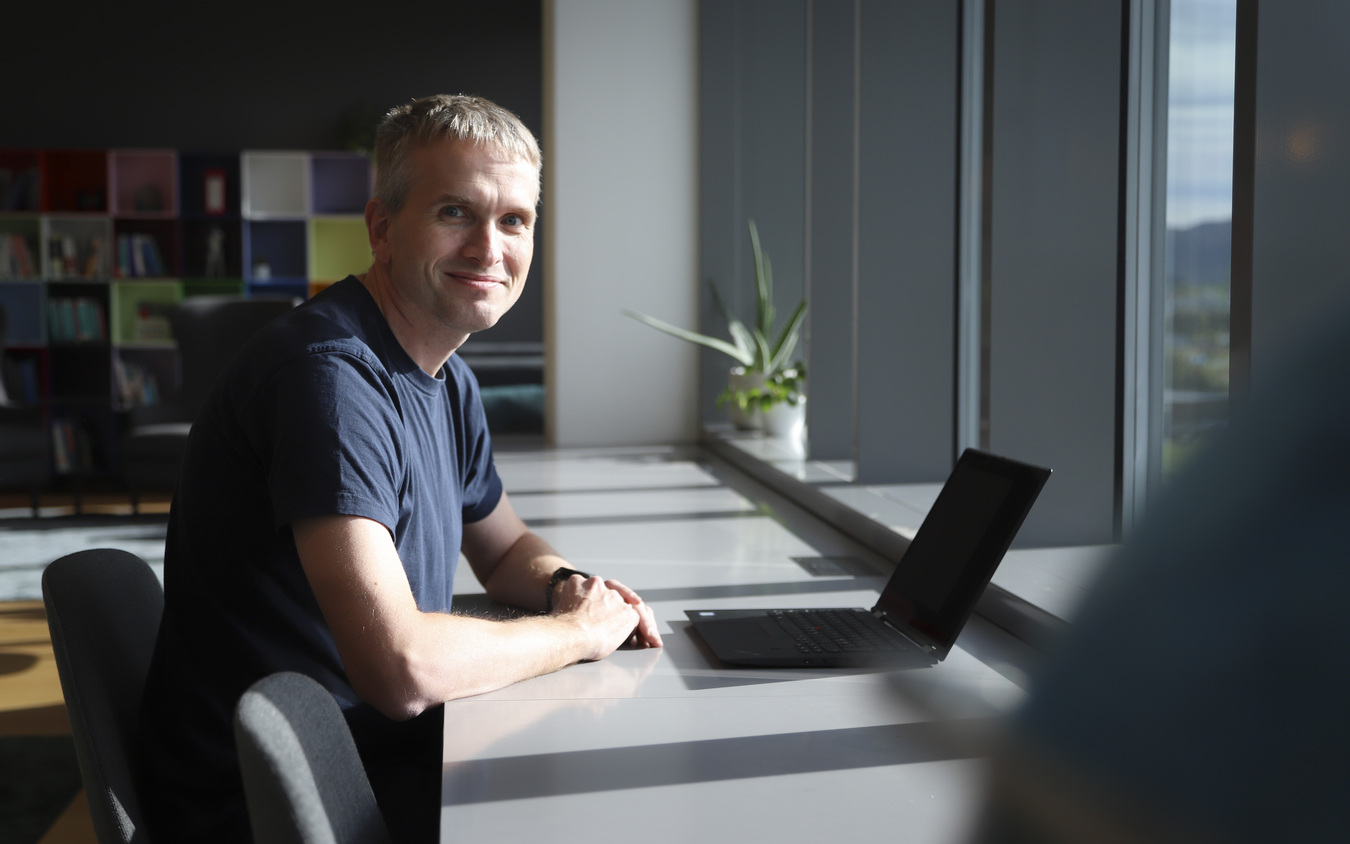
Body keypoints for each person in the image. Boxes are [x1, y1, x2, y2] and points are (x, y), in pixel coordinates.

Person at [137, 94, 662, 843]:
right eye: (456, 213)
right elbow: (402, 668)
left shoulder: (446, 376)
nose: (489, 248)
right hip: (273, 803)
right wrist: (575, 635)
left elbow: (505, 547)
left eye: (514, 220)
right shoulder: (329, 378)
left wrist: (567, 586)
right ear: (383, 229)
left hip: (362, 754)